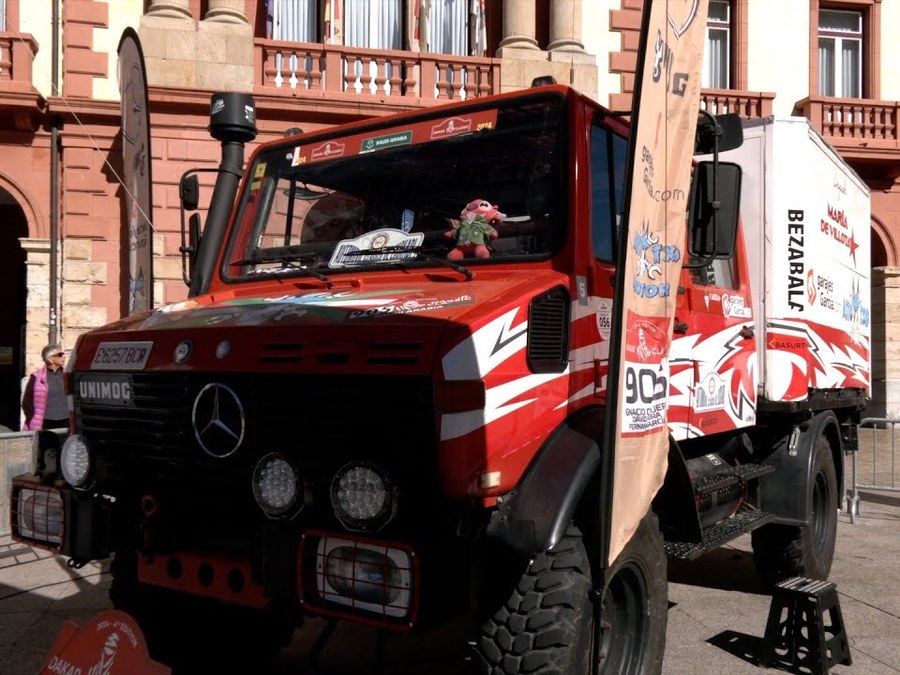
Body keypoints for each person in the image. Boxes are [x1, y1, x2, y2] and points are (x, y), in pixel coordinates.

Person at [22, 343, 68, 431]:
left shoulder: (67, 375)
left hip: (66, 421)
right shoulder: (36, 377)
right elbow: (26, 401)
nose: (64, 357)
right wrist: (32, 418)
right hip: (45, 423)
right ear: (49, 359)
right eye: (60, 355)